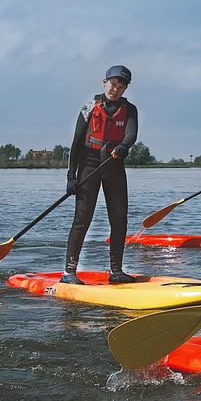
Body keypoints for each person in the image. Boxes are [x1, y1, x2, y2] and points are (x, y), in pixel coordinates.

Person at [62, 65, 139, 285]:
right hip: (88, 164)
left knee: (119, 219)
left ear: (125, 89)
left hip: (114, 163)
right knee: (82, 219)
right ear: (104, 82)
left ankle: (116, 272)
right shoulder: (89, 106)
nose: (116, 89)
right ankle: (69, 272)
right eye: (113, 84)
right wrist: (71, 177)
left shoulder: (130, 109)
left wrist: (124, 146)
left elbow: (131, 134)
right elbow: (76, 143)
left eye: (121, 86)